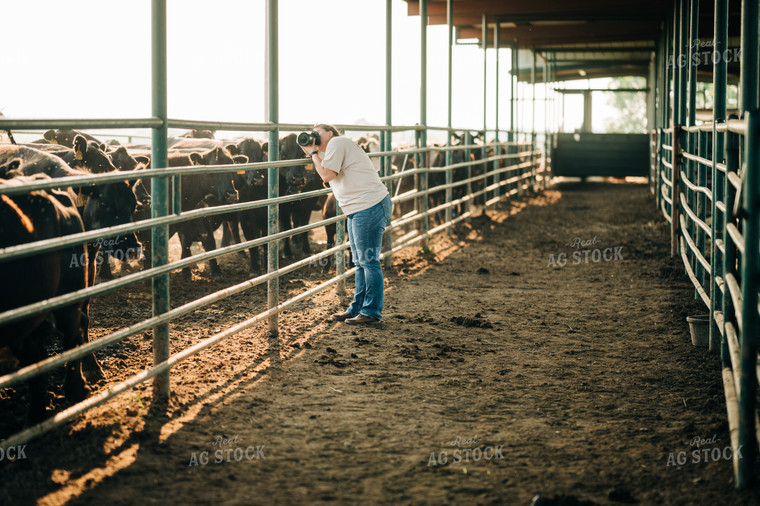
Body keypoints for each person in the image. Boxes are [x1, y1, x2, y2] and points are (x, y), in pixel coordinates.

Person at [300, 124, 392, 324]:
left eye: (318, 132)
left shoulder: (337, 142)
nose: (314, 135)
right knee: (360, 262)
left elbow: (326, 175)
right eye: (312, 133)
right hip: (359, 208)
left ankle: (371, 313)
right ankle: (358, 308)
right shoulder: (333, 149)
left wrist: (313, 153)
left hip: (369, 206)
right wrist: (314, 152)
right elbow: (326, 171)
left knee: (368, 261)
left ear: (330, 133)